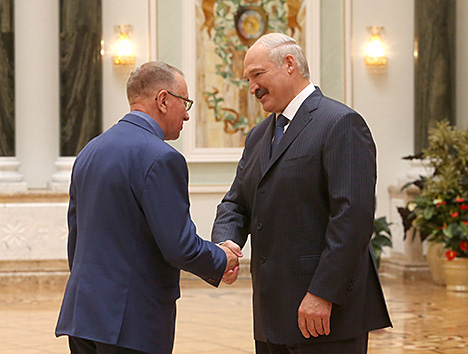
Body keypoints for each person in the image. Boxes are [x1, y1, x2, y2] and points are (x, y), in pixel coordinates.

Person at [212, 33, 392, 353]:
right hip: (271, 316)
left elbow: (352, 218)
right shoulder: (258, 136)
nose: (252, 87)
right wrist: (227, 242)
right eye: (248, 79)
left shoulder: (341, 123)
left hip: (325, 313)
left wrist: (323, 294)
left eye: (257, 75)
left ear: (290, 64)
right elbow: (236, 202)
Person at [55, 61, 242, 354]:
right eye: (185, 103)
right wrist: (221, 258)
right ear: (164, 100)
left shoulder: (89, 151)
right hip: (131, 322)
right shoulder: (161, 157)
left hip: (83, 315)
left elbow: (76, 239)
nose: (188, 115)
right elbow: (178, 245)